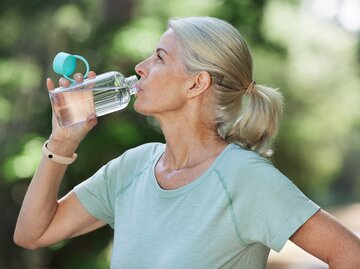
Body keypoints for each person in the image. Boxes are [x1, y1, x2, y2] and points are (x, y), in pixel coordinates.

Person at [14, 16, 360, 268]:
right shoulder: (133, 167)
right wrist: (60, 143)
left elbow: (350, 255)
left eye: (160, 57)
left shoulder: (244, 178)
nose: (140, 66)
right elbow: (32, 234)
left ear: (196, 84)